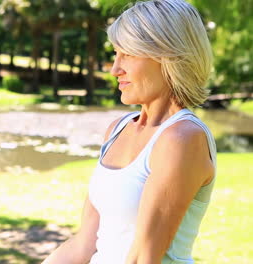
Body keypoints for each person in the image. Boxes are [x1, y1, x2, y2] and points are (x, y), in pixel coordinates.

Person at [42, 0, 216, 263]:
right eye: (115, 53)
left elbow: (142, 258)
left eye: (129, 54)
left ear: (167, 57)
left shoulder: (183, 139)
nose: (114, 69)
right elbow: (85, 244)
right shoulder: (118, 129)